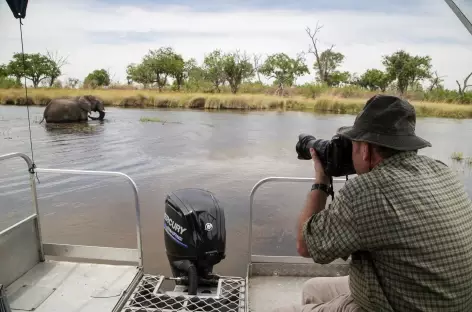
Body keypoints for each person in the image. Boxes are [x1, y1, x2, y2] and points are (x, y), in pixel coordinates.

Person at [277, 95, 472, 312]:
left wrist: (321, 181)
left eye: (353, 144)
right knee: (312, 288)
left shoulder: (368, 191)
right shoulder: (442, 170)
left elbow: (305, 245)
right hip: (447, 300)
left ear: (366, 149)